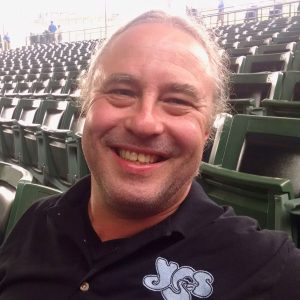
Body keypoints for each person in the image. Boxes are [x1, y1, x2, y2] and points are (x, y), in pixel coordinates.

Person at [0, 10, 300, 300]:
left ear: (207, 130)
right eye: (122, 91)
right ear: (86, 107)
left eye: (177, 100)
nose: (144, 123)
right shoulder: (36, 221)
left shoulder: (268, 267)